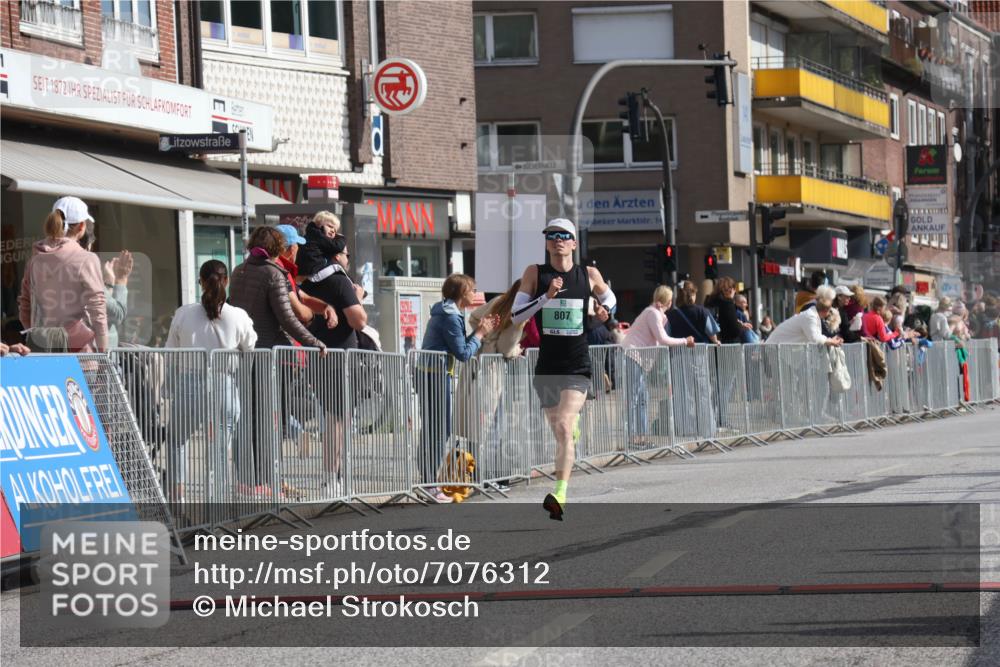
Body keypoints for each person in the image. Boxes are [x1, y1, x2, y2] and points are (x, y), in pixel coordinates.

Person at [510, 218, 615, 520]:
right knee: (560, 432)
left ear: (573, 243)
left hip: (576, 364)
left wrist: (607, 312)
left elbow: (610, 298)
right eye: (552, 235)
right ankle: (572, 431)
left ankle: (560, 494)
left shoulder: (588, 274)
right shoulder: (535, 273)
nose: (558, 240)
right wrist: (546, 297)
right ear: (547, 243)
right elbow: (516, 316)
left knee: (565, 427)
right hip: (547, 365)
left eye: (564, 235)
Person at [228, 226, 327, 497]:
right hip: (267, 355)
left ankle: (246, 482)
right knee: (267, 422)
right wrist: (314, 341)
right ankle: (266, 482)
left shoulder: (239, 271)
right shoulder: (274, 274)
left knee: (246, 420)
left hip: (242, 353)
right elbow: (287, 318)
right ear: (278, 248)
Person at [165, 260, 257, 503]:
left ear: (201, 282)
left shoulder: (183, 313)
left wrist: (168, 385)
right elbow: (250, 346)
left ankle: (178, 500)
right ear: (226, 281)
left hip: (189, 383)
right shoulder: (238, 315)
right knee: (219, 447)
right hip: (224, 383)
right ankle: (215, 503)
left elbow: (170, 351)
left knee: (176, 441)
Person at [298, 233, 368, 494]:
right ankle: (331, 478)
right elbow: (359, 321)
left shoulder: (309, 282)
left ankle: (332, 476)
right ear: (337, 256)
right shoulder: (339, 281)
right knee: (337, 419)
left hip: (317, 355)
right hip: (340, 358)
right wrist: (357, 297)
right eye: (347, 255)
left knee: (331, 417)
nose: (348, 259)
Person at [418, 274, 498, 502]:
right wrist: (480, 334)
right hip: (434, 375)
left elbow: (459, 346)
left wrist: (479, 331)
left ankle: (427, 481)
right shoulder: (450, 316)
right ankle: (429, 484)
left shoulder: (448, 312)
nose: (475, 293)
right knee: (438, 430)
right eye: (472, 290)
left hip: (432, 373)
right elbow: (463, 353)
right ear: (462, 293)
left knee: (434, 429)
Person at [455, 280, 528, 485]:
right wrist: (514, 349)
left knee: (478, 424)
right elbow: (506, 348)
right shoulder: (518, 314)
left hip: (479, 366)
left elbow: (474, 317)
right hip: (492, 372)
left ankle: (477, 472)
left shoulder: (499, 301)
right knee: (492, 424)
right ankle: (488, 475)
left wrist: (484, 339)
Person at [18, 197, 108, 353]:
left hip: (42, 351)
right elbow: (97, 310)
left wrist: (39, 336)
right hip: (80, 353)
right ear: (81, 226)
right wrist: (103, 351)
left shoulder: (35, 260)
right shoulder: (86, 259)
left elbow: (25, 305)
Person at [622, 286, 694, 446]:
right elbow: (663, 339)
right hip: (634, 356)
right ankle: (633, 438)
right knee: (634, 399)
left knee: (641, 399)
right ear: (668, 301)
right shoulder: (653, 313)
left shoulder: (654, 313)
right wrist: (685, 341)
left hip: (637, 358)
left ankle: (640, 437)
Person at [764, 292, 844, 347]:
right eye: (829, 311)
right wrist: (831, 341)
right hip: (773, 349)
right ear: (825, 310)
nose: (830, 313)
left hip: (777, 349)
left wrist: (830, 340)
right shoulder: (809, 316)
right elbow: (815, 338)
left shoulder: (812, 315)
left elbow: (817, 336)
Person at [666, 280, 720, 345]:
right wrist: (716, 341)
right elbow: (711, 333)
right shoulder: (702, 311)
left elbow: (667, 334)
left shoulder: (671, 314)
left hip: (678, 349)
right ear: (693, 294)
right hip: (700, 349)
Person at [705, 277, 751, 345]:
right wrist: (740, 326)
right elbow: (734, 330)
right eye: (734, 289)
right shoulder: (728, 303)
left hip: (712, 343)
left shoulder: (710, 303)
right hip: (728, 345)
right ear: (731, 290)